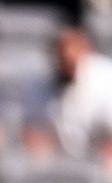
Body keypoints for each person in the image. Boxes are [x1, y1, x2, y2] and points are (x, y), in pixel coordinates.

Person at [25, 24, 112, 166]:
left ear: (86, 49)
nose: (68, 55)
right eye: (61, 51)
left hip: (99, 163)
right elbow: (33, 134)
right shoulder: (39, 84)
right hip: (57, 164)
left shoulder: (107, 77)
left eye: (74, 49)